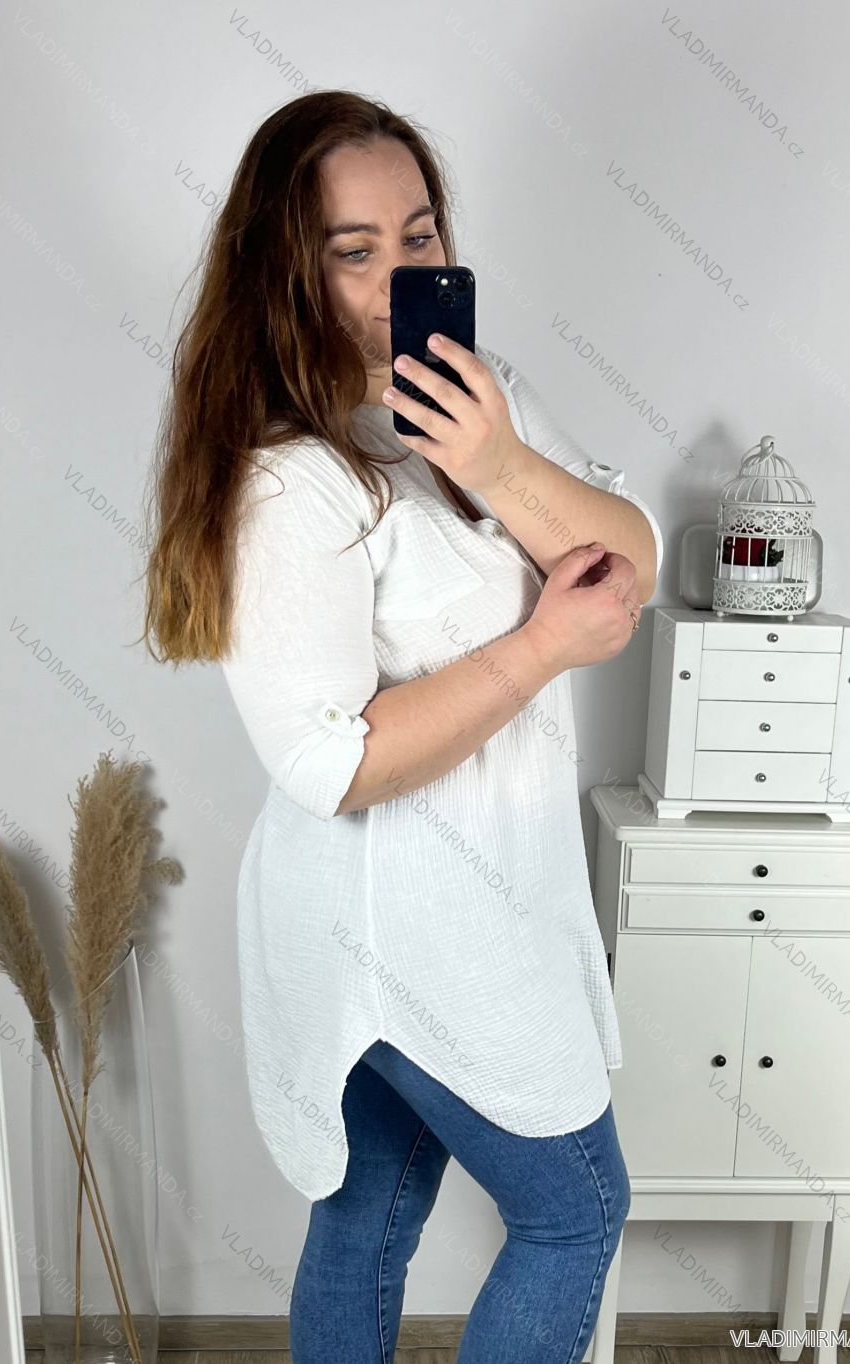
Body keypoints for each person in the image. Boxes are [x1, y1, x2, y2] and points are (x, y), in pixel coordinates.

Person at [142, 89, 663, 1364]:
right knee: (574, 1207)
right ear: (286, 271)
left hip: (475, 897)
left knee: (370, 1212)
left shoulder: (477, 404)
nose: (397, 279)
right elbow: (333, 758)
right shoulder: (290, 476)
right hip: (394, 919)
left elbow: (632, 558)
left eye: (417, 236)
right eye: (353, 250)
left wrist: (495, 462)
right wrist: (540, 644)